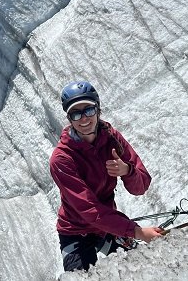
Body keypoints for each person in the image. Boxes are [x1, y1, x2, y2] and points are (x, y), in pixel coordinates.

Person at [50, 81, 163, 272]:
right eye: (76, 114)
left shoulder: (111, 138)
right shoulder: (61, 159)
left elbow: (141, 185)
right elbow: (90, 210)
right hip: (76, 232)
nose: (84, 119)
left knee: (142, 268)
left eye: (88, 110)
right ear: (69, 118)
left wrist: (127, 170)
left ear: (97, 109)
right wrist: (137, 232)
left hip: (107, 225)